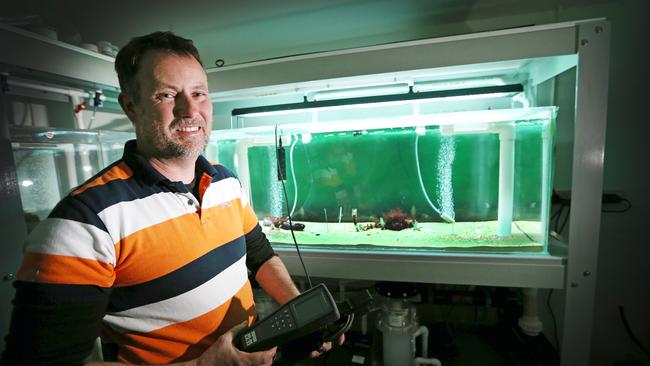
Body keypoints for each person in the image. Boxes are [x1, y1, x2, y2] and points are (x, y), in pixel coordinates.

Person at [1, 31, 341, 365]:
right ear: (131, 106)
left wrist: (300, 315)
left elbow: (260, 255)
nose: (189, 109)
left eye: (198, 93)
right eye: (166, 95)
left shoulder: (226, 181)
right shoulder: (82, 222)